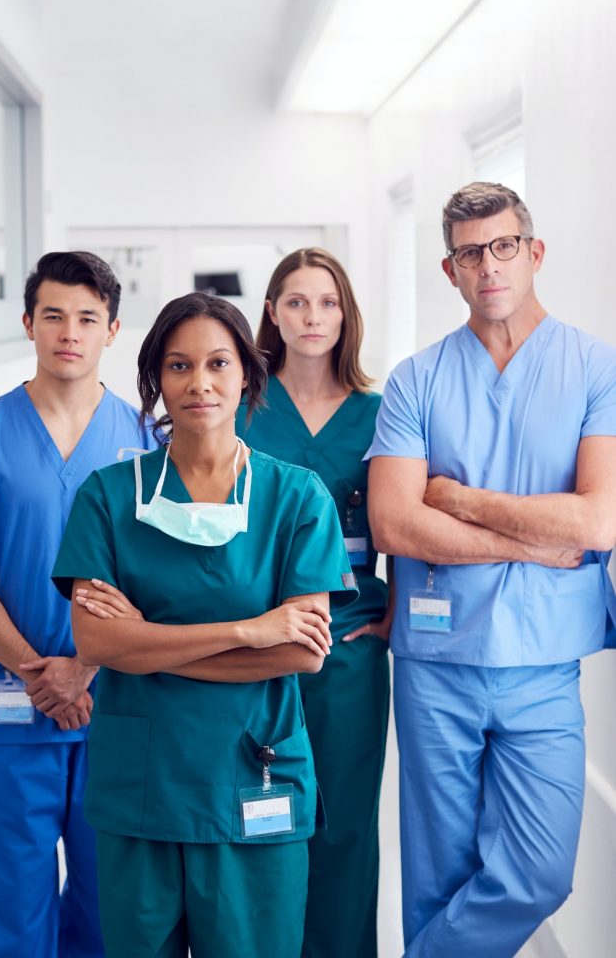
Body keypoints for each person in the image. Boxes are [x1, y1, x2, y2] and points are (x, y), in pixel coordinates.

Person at [51, 291, 359, 958]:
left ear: (248, 371)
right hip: (145, 790)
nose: (200, 383)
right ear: (156, 379)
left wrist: (147, 643)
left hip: (254, 779)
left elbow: (303, 654)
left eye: (219, 363)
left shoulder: (297, 496)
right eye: (179, 365)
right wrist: (248, 631)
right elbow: (97, 641)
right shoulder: (108, 496)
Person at [365, 182, 616, 958]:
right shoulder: (417, 379)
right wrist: (534, 539)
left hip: (544, 665)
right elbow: (396, 521)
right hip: (435, 664)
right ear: (450, 271)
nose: (489, 266)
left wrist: (463, 500)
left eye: (504, 246)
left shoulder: (593, 367)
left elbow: (597, 520)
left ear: (533, 253)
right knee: (437, 875)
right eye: (471, 253)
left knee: (540, 873)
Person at [0, 252, 154, 958]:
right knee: (14, 907)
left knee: (115, 906)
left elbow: (163, 582)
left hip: (116, 707)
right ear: (27, 325)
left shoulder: (144, 442)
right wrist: (36, 671)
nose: (69, 332)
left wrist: (86, 669)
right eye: (53, 317)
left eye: (86, 318)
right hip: (10, 708)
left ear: (111, 329)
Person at [238, 247, 391, 958]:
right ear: (271, 312)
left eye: (327, 302)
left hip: (352, 648)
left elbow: (404, 520)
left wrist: (397, 606)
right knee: (261, 820)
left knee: (346, 827)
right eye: (296, 301)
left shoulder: (378, 414)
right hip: (255, 650)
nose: (312, 317)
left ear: (345, 313)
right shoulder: (238, 407)